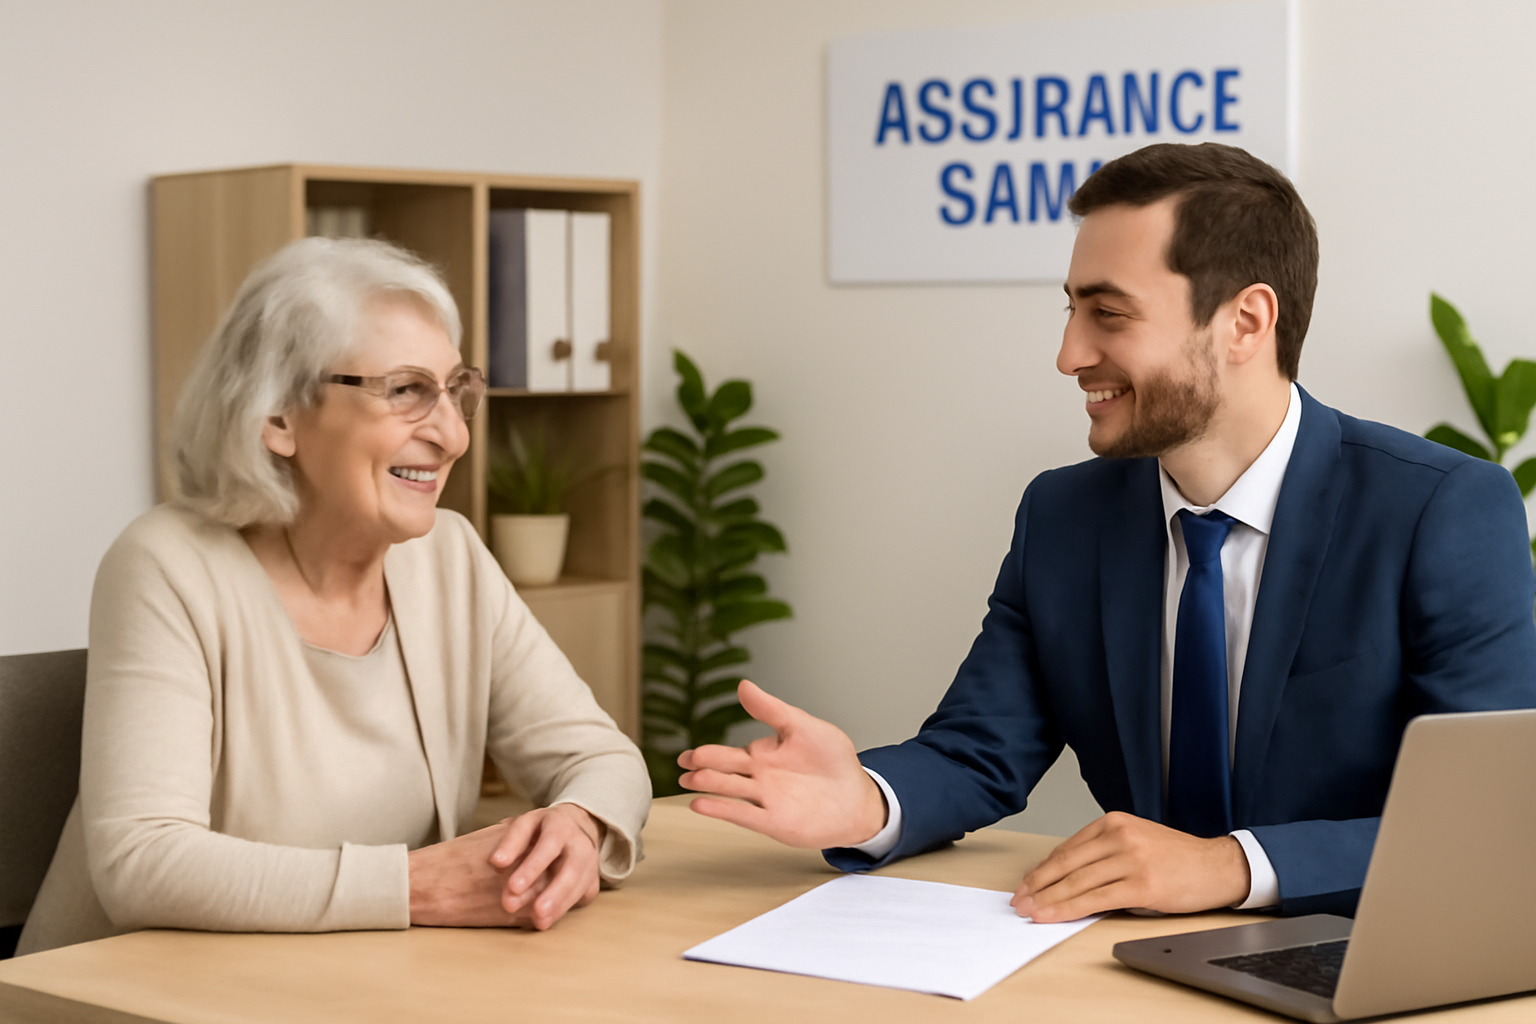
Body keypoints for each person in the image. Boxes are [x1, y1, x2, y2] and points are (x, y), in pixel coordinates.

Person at [676, 142, 1536, 922]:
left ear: (1245, 322)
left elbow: (1486, 828)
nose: (1068, 353)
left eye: (1109, 315)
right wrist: (867, 801)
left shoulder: (1442, 509)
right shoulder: (1063, 515)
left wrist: (1228, 868)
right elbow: (980, 751)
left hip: (1357, 959)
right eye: (1070, 310)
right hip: (1129, 973)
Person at [18, 238, 650, 955]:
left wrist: (576, 822)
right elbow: (141, 862)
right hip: (125, 995)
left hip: (349, 984)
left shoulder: (450, 557)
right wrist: (416, 886)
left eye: (455, 391)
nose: (451, 434)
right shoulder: (167, 564)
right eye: (407, 390)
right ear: (278, 415)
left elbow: (602, 758)